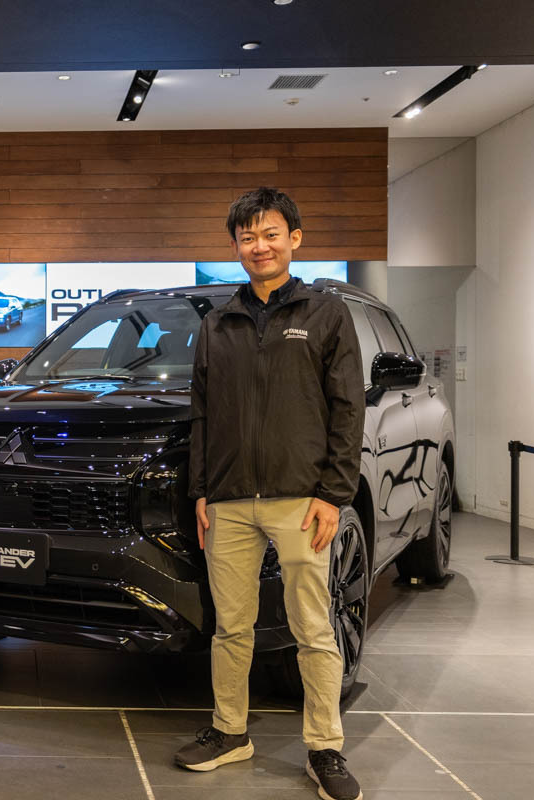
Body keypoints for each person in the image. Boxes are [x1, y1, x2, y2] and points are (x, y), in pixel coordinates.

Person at [176, 188, 365, 800]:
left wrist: (333, 493)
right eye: (248, 237)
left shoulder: (325, 313)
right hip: (228, 501)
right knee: (231, 628)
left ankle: (325, 747)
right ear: (235, 246)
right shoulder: (217, 324)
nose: (259, 246)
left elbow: (348, 408)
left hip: (301, 499)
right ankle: (230, 732)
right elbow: (202, 413)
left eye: (270, 234)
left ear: (294, 239)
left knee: (312, 628)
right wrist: (201, 491)